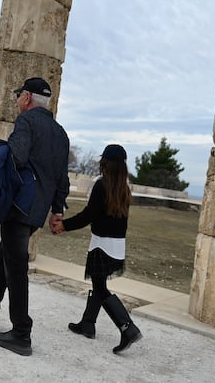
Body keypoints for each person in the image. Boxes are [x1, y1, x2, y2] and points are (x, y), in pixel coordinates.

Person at [0, 77, 70, 356]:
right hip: (38, 211)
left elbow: (17, 157)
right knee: (8, 254)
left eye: (17, 97)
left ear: (26, 98)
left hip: (20, 207)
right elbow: (62, 178)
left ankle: (21, 332)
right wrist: (57, 210)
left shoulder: (26, 122)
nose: (16, 101)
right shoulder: (61, 133)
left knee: (16, 265)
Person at [51, 144, 142, 354]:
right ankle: (87, 323)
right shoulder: (124, 188)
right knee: (98, 283)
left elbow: (88, 215)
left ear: (105, 163)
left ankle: (127, 328)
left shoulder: (102, 185)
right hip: (117, 246)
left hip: (101, 245)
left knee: (101, 288)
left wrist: (64, 225)